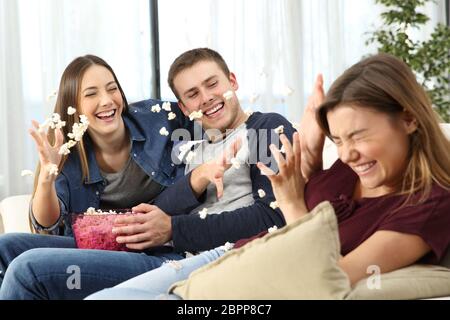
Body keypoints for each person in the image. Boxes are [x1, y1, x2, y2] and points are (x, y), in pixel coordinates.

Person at [87, 52, 450, 300]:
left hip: (245, 273)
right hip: (223, 257)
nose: (346, 153)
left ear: (409, 119)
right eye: (338, 139)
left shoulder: (430, 204)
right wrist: (309, 148)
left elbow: (325, 273)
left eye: (358, 136)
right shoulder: (351, 167)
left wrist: (290, 202)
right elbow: (317, 197)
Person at [0, 48, 295, 299]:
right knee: (7, 246)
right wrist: (197, 178)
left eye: (212, 84)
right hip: (152, 248)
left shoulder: (263, 127)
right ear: (183, 107)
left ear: (232, 81)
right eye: (193, 94)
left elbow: (274, 216)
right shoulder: (187, 142)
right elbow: (159, 212)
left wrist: (173, 230)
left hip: (182, 259)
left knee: (28, 269)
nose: (205, 98)